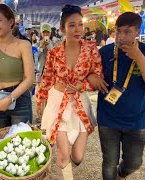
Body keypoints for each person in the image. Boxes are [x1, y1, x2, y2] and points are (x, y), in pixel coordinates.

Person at [88, 12, 145, 180]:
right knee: (109, 163)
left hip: (137, 120)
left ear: (137, 32)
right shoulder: (105, 52)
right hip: (108, 119)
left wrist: (138, 56)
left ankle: (122, 174)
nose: (120, 36)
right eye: (118, 31)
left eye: (127, 32)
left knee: (134, 162)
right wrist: (91, 76)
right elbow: (88, 72)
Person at [36, 5, 103, 179]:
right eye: (72, 25)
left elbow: (98, 77)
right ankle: (64, 170)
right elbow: (47, 78)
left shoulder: (91, 50)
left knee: (78, 157)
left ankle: (68, 161)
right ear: (62, 29)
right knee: (63, 155)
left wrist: (84, 86)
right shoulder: (53, 52)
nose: (77, 29)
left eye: (80, 24)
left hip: (81, 104)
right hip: (58, 103)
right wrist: (40, 101)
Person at [0, 4, 34, 129]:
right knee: (1, 141)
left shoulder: (23, 45)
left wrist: (10, 98)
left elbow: (29, 78)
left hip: (19, 99)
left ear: (10, 21)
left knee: (22, 143)